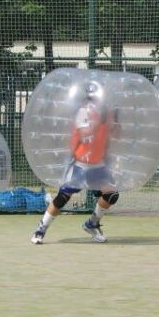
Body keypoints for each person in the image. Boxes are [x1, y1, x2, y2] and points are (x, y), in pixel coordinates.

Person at [31, 81, 120, 244]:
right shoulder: (82, 112)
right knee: (63, 197)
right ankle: (41, 228)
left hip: (98, 164)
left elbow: (116, 135)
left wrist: (114, 120)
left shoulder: (107, 114)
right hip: (80, 163)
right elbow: (85, 133)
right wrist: (99, 121)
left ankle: (92, 224)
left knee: (111, 195)